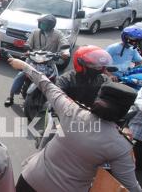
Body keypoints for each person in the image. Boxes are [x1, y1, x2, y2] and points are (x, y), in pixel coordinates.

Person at [8, 58, 142, 192]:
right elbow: (130, 186)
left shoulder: (71, 111)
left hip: (31, 179)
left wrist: (24, 66)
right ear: (125, 112)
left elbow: (46, 85)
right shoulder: (121, 145)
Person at [5, 14, 69, 107]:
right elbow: (28, 44)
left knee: (57, 80)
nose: (40, 24)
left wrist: (65, 52)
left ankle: (56, 102)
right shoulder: (35, 32)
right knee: (21, 75)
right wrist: (27, 50)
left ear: (51, 25)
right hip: (32, 60)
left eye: (43, 23)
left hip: (49, 62)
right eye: (40, 22)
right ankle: (10, 96)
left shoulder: (58, 34)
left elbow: (64, 43)